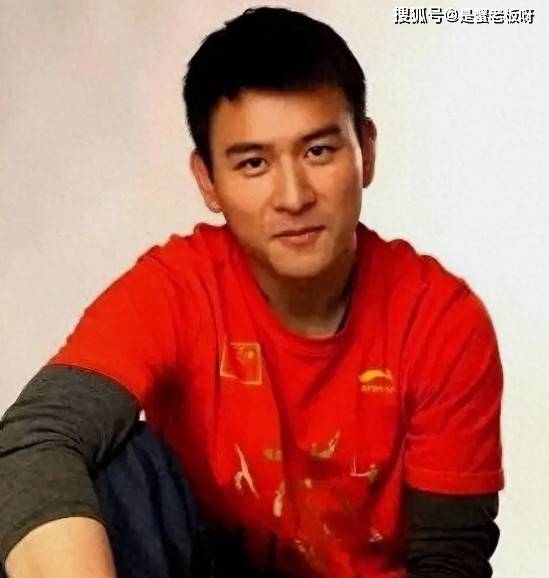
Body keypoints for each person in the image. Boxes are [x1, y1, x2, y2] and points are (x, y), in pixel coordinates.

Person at [0, 6, 504, 578]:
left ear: (365, 150)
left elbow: (450, 563)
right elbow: (36, 439)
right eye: (254, 163)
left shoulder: (441, 321)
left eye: (318, 151)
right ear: (208, 182)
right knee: (106, 462)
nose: (293, 196)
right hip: (203, 565)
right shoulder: (180, 287)